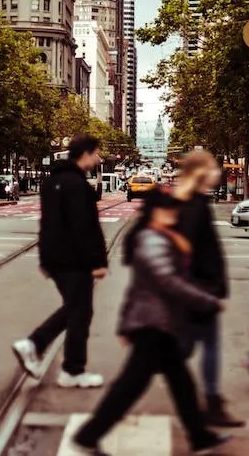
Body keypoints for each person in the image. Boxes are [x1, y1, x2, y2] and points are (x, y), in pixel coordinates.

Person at [69, 188, 230, 455]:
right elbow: (168, 282)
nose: (174, 212)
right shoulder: (153, 241)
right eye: (168, 208)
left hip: (158, 324)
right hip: (153, 326)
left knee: (179, 383)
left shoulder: (160, 237)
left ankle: (199, 437)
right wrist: (207, 301)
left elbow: (136, 289)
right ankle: (88, 436)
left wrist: (124, 323)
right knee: (131, 386)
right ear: (155, 212)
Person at [12, 135, 108, 389]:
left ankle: (37, 345)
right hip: (74, 260)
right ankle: (70, 368)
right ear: (85, 154)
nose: (99, 158)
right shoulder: (78, 186)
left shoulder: (51, 182)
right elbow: (84, 228)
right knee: (80, 311)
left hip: (55, 258)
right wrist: (97, 261)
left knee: (76, 308)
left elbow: (47, 224)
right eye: (96, 153)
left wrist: (45, 259)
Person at [175, 150, 243, 428]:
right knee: (196, 347)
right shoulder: (194, 206)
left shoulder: (194, 203)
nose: (218, 171)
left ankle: (211, 403)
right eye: (214, 167)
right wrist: (206, 290)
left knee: (186, 347)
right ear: (201, 172)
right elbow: (189, 252)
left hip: (200, 289)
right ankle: (211, 404)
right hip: (200, 290)